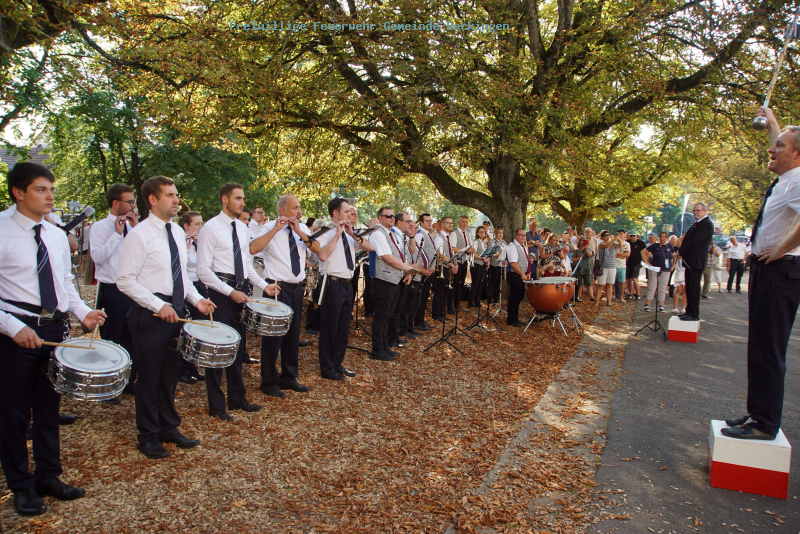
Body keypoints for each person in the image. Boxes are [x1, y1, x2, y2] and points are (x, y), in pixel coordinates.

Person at [0, 163, 107, 516]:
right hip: (15, 333)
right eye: (41, 189)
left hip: (54, 332)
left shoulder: (56, 234)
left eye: (51, 189)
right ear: (19, 192)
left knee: (49, 409)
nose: (50, 196)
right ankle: (21, 485)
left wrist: (82, 312)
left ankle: (48, 476)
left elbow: (64, 283)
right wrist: (12, 327)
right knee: (14, 413)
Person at [117, 175, 215, 459]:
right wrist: (157, 305)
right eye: (170, 195)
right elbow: (125, 280)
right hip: (149, 314)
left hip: (176, 311)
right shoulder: (139, 235)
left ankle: (168, 428)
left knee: (170, 375)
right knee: (149, 378)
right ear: (153, 199)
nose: (176, 200)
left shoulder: (175, 231)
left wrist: (196, 300)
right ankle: (148, 436)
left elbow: (180, 275)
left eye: (176, 194)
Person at [722, 108, 800, 440]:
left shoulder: (797, 181)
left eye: (779, 146)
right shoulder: (787, 178)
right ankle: (758, 413)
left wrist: (781, 249)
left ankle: (765, 424)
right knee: (760, 346)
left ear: (796, 155)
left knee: (768, 348)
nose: (771, 148)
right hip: (767, 269)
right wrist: (771, 120)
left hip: (779, 271)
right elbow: (783, 142)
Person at [196, 183, 280, 422]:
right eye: (238, 198)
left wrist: (263, 285)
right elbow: (203, 270)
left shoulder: (242, 229)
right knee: (217, 349)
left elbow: (246, 265)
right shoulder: (210, 228)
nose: (243, 203)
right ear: (225, 199)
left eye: (243, 198)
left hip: (241, 291)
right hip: (219, 293)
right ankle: (216, 405)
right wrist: (229, 291)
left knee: (237, 345)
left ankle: (237, 398)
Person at [249, 194, 320, 397]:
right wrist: (275, 229)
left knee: (292, 335)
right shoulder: (269, 227)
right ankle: (269, 381)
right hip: (276, 289)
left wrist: (299, 231)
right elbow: (253, 249)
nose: (299, 211)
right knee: (273, 336)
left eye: (299, 207)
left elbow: (318, 250)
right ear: (283, 210)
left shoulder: (302, 228)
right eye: (296, 207)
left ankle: (289, 377)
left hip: (296, 288)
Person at [88, 183, 139, 405]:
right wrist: (117, 235)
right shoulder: (100, 227)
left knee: (132, 336)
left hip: (134, 288)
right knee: (112, 337)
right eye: (130, 201)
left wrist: (135, 229)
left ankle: (127, 381)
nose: (133, 205)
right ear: (116, 203)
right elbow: (98, 258)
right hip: (113, 290)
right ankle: (107, 386)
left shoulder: (133, 227)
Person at [316, 198, 373, 379]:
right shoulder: (325, 232)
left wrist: (352, 234)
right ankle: (327, 368)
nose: (350, 215)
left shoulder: (349, 233)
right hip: (332, 283)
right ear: (336, 213)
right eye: (347, 211)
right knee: (330, 327)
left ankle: (337, 363)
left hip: (348, 284)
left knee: (342, 328)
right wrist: (337, 234)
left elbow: (370, 248)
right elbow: (322, 255)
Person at [368, 207, 417, 360]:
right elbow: (388, 258)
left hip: (394, 280)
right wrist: (408, 268)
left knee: (388, 316)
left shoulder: (392, 234)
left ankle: (385, 347)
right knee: (381, 316)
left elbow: (400, 256)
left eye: (392, 216)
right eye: (387, 216)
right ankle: (377, 350)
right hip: (382, 280)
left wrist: (407, 272)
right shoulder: (378, 234)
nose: (391, 218)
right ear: (380, 218)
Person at [179, 211, 206, 384]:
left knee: (198, 329)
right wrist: (187, 247)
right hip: (186, 288)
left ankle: (193, 366)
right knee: (185, 329)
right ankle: (182, 369)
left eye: (201, 223)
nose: (200, 227)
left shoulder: (199, 242)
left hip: (200, 287)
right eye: (196, 224)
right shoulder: (180, 242)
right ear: (186, 226)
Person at [677, 203, 714, 321]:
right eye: (694, 210)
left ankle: (693, 314)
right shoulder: (697, 223)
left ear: (705, 211)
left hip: (696, 260)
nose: (695, 212)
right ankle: (689, 311)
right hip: (690, 260)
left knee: (693, 288)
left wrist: (680, 251)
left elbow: (695, 241)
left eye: (698, 210)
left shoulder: (706, 224)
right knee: (689, 287)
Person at [387, 212, 416, 349]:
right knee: (393, 310)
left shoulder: (403, 236)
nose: (410, 224)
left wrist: (408, 272)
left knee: (398, 309)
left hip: (403, 274)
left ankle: (395, 336)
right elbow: (395, 258)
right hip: (394, 276)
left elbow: (410, 252)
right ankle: (390, 339)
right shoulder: (393, 234)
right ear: (399, 222)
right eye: (407, 221)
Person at [413, 213, 436, 331]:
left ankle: (421, 320)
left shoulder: (428, 234)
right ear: (421, 222)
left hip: (429, 270)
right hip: (422, 272)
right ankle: (417, 322)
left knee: (425, 297)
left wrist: (433, 265)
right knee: (420, 298)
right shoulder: (419, 235)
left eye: (430, 221)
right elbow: (418, 254)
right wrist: (424, 269)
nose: (429, 223)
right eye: (427, 221)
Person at [641, 231, 675, 313]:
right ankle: (647, 304)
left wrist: (673, 265)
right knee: (652, 286)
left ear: (667, 238)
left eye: (664, 237)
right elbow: (643, 252)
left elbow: (674, 256)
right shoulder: (655, 245)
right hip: (655, 269)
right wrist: (646, 262)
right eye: (661, 237)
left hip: (666, 269)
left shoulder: (669, 246)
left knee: (662, 288)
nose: (662, 238)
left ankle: (661, 305)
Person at [432, 216, 457, 320]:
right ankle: (436, 314)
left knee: (445, 291)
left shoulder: (448, 237)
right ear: (442, 224)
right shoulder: (439, 238)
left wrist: (455, 264)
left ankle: (442, 313)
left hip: (448, 267)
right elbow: (441, 254)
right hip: (441, 268)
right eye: (448, 223)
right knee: (439, 292)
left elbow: (451, 253)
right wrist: (452, 265)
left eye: (451, 223)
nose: (450, 225)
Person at [505, 228, 531, 326]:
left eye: (524, 235)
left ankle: (516, 318)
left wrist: (527, 272)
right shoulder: (512, 246)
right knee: (514, 297)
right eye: (521, 235)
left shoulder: (523, 246)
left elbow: (526, 260)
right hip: (514, 275)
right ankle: (511, 319)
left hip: (521, 275)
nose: (523, 237)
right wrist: (522, 274)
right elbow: (513, 263)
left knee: (520, 296)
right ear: (516, 236)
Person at [452, 215, 474, 309]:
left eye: (466, 222)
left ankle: (457, 303)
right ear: (458, 223)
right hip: (456, 261)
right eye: (463, 221)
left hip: (465, 261)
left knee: (461, 284)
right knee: (455, 283)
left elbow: (469, 246)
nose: (465, 224)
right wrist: (465, 250)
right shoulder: (454, 233)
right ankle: (451, 304)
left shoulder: (468, 234)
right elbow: (452, 248)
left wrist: (472, 249)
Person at [468, 225, 489, 307]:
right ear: (477, 233)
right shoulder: (476, 242)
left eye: (483, 232)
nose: (482, 233)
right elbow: (474, 254)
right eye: (480, 232)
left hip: (482, 265)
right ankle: (470, 302)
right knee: (475, 284)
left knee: (480, 284)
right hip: (476, 265)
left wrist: (486, 262)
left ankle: (477, 302)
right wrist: (482, 259)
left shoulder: (484, 242)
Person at [487, 228, 507, 307]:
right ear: (495, 233)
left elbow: (506, 252)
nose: (501, 234)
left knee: (498, 283)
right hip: (494, 265)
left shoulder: (504, 242)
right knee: (492, 283)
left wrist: (506, 259)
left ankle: (496, 300)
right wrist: (502, 256)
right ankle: (489, 300)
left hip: (502, 265)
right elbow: (494, 253)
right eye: (499, 233)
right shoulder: (492, 242)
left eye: (502, 233)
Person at [625, 230, 646, 300]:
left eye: (634, 236)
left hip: (637, 263)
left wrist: (644, 261)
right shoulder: (628, 242)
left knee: (634, 278)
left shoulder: (641, 243)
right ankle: (630, 293)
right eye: (631, 236)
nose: (632, 237)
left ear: (636, 236)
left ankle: (638, 294)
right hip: (629, 263)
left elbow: (646, 252)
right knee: (629, 279)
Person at [614, 229, 630, 302]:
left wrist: (618, 254)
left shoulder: (627, 244)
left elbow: (627, 254)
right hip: (613, 265)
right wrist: (621, 255)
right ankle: (608, 296)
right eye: (619, 234)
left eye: (622, 234)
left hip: (622, 266)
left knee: (622, 282)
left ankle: (621, 297)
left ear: (624, 235)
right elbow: (612, 254)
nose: (620, 235)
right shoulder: (613, 242)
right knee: (611, 282)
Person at [672, 239, 687, 314]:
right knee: (678, 289)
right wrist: (682, 238)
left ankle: (683, 307)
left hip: (685, 270)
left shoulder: (688, 249)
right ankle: (675, 307)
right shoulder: (678, 249)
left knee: (685, 290)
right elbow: (677, 246)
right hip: (679, 270)